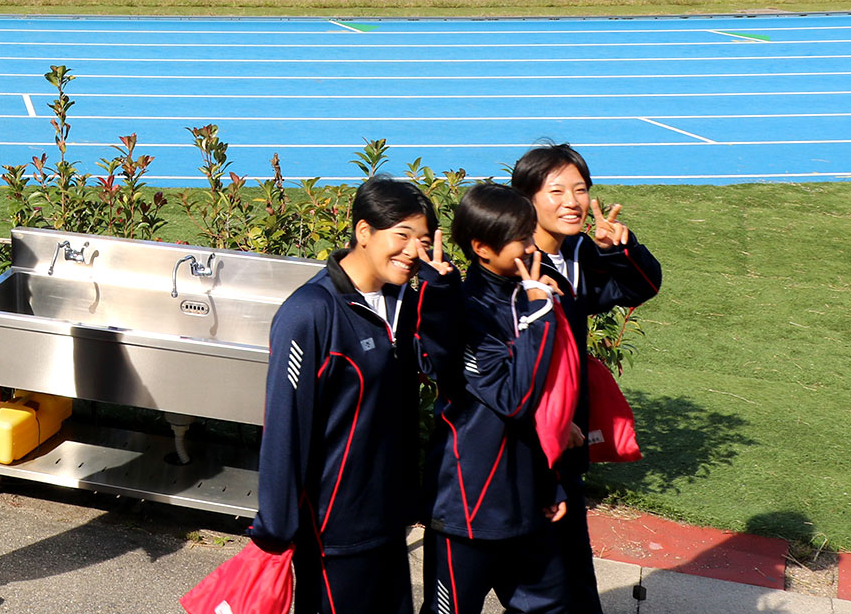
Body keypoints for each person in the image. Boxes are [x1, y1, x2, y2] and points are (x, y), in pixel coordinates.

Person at [249, 176, 460, 613]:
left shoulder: (402, 301)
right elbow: (286, 427)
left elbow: (443, 371)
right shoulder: (309, 313)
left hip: (387, 519)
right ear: (364, 232)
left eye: (422, 241)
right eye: (401, 236)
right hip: (333, 532)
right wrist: (275, 528)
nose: (411, 252)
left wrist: (441, 301)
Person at [511, 143, 662, 614]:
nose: (571, 201)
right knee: (541, 579)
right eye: (555, 190)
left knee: (571, 569)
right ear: (527, 200)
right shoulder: (516, 264)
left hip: (568, 438)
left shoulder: (579, 251)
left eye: (580, 189)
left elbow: (641, 286)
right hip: (531, 441)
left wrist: (620, 247)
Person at [420, 183, 570, 614]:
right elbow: (514, 399)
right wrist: (540, 317)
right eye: (520, 237)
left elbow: (544, 400)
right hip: (469, 511)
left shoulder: (527, 294)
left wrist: (547, 479)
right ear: (482, 248)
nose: (530, 244)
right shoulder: (468, 313)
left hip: (525, 502)